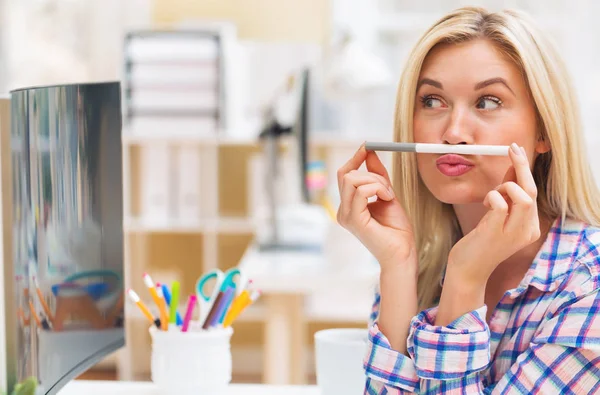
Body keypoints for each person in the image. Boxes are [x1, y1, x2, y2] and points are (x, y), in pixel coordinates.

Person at [336, 6, 600, 394]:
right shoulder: (419, 270)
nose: (454, 132)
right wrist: (398, 267)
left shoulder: (588, 286)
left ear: (544, 131)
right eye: (432, 101)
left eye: (488, 101)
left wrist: (465, 279)